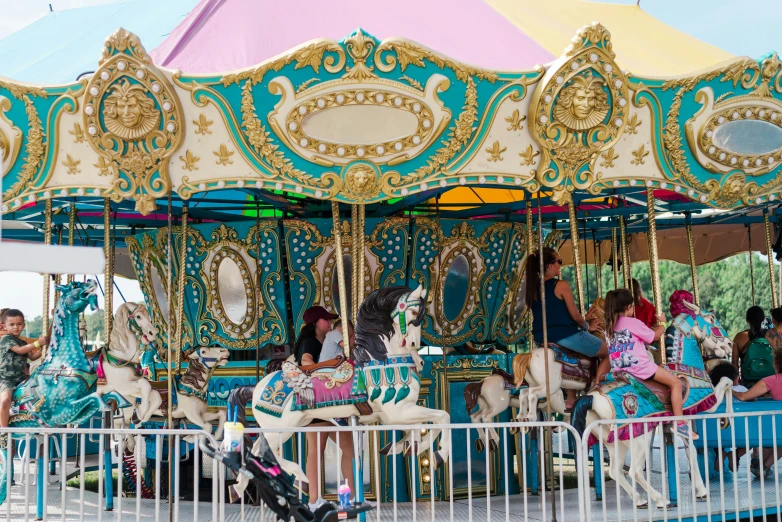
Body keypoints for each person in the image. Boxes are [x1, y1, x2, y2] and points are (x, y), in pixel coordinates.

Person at [604, 289, 696, 439]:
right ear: (628, 307)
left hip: (619, 369)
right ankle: (680, 424)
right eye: (632, 307)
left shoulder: (609, 326)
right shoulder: (632, 322)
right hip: (640, 368)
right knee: (676, 384)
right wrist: (662, 323)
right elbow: (654, 336)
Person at [526, 247, 608, 410]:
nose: (560, 266)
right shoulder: (561, 285)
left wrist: (584, 321)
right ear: (549, 266)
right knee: (609, 352)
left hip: (543, 338)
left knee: (574, 355)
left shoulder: (532, 288)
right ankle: (599, 387)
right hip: (565, 335)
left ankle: (571, 397)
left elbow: (554, 316)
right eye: (558, 261)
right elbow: (575, 315)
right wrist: (586, 326)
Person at [294, 306, 356, 511]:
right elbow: (306, 364)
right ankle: (313, 500)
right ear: (315, 323)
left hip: (331, 401)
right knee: (316, 450)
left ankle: (352, 498)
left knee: (348, 447)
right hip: (316, 398)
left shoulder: (324, 341)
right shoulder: (309, 342)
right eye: (325, 320)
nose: (329, 323)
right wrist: (333, 365)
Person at [0, 310, 47, 429]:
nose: (16, 327)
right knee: (5, 400)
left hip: (22, 378)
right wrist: (37, 343)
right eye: (12, 324)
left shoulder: (23, 342)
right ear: (4, 326)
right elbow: (20, 350)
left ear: (24, 325)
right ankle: (4, 431)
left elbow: (32, 356)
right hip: (7, 379)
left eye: (19, 324)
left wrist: (43, 348)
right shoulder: (6, 338)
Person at [731, 306, 769, 373]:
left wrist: (736, 381)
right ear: (763, 319)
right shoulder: (771, 334)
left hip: (748, 378)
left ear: (747, 320)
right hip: (769, 378)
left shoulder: (739, 337)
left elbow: (734, 363)